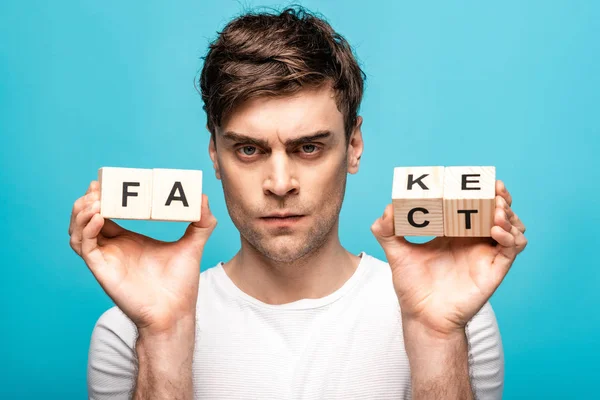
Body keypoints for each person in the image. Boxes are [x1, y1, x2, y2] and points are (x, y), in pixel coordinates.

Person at [68, 6, 528, 400]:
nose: (280, 183)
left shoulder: (457, 319)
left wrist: (435, 337)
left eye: (309, 147)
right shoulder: (130, 331)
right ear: (215, 154)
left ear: (353, 146)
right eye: (249, 149)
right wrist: (164, 335)